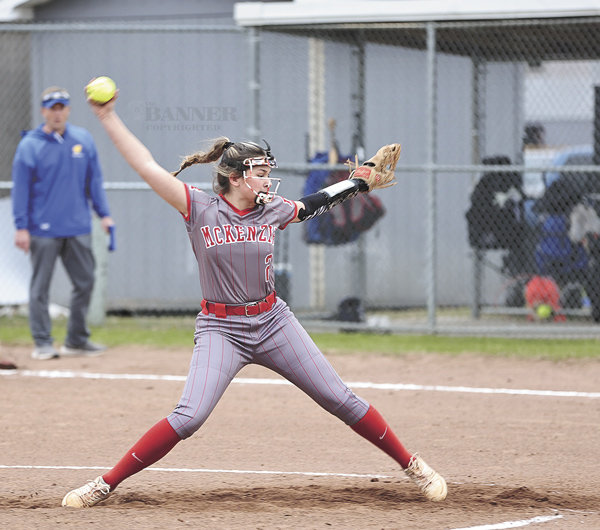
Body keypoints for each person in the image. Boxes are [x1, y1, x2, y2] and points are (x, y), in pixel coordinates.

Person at [61, 85, 447, 508]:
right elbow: (146, 165)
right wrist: (108, 117)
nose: (267, 180)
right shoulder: (199, 207)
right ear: (234, 176)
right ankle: (105, 483)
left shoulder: (272, 208)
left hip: (273, 322)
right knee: (189, 417)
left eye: (267, 172)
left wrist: (357, 182)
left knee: (339, 398)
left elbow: (312, 203)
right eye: (259, 172)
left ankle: (414, 466)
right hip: (220, 328)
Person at [12, 86, 114, 360]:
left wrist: (103, 214)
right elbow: (21, 190)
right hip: (42, 229)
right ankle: (43, 342)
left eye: (61, 107)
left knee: (85, 282)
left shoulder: (83, 139)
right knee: (40, 287)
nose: (57, 113)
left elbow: (93, 181)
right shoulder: (30, 145)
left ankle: (76, 340)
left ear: (68, 110)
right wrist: (21, 227)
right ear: (43, 111)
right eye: (51, 108)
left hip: (78, 226)